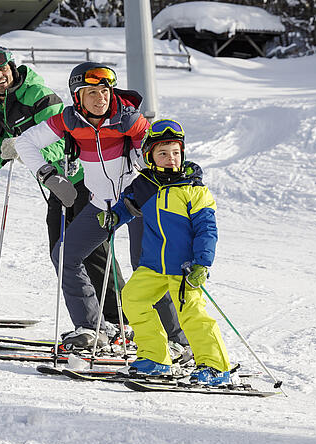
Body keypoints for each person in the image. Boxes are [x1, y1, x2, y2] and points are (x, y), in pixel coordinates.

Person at [14, 62, 191, 355]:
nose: (101, 98)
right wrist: (48, 175)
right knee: (65, 255)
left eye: (105, 91)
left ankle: (178, 341)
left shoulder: (128, 120)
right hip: (101, 204)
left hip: (138, 203)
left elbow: (156, 160)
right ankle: (90, 328)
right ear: (77, 96)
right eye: (92, 92)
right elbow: (25, 142)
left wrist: (141, 188)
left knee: (147, 268)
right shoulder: (69, 120)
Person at [0, 46, 122, 327]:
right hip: (57, 187)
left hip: (85, 181)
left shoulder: (38, 96)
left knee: (95, 254)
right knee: (60, 253)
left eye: (3, 69)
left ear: (12, 68)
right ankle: (92, 323)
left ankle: (120, 319)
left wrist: (25, 150)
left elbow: (65, 141)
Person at [98, 119, 233, 385]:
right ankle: (155, 358)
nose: (171, 158)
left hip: (184, 267)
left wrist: (202, 263)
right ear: (150, 157)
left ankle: (216, 366)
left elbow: (207, 229)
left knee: (192, 315)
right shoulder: (144, 185)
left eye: (175, 152)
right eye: (163, 153)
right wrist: (114, 216)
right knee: (133, 299)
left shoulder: (194, 189)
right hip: (152, 265)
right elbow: (127, 205)